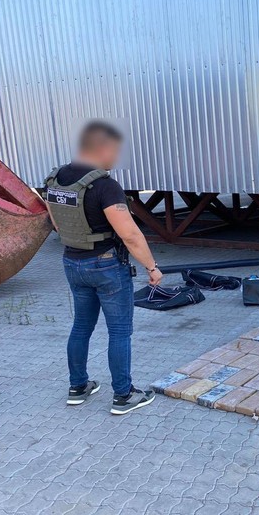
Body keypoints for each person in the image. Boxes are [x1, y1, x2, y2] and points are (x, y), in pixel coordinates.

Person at [44, 121, 162, 415]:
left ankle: (78, 387)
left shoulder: (55, 179)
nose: (116, 158)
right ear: (101, 148)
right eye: (115, 151)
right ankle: (123, 395)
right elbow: (130, 235)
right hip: (106, 266)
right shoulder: (105, 186)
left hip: (72, 262)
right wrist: (152, 267)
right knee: (119, 332)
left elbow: (57, 224)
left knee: (81, 326)